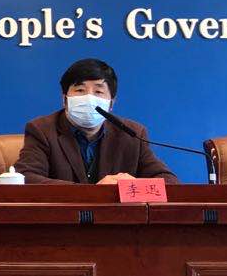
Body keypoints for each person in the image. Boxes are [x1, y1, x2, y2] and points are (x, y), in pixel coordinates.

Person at [14, 57, 178, 185]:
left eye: (98, 92)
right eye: (80, 90)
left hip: (115, 218)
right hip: (63, 218)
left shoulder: (132, 133)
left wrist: (130, 187)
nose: (89, 98)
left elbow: (168, 181)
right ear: (64, 100)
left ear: (111, 103)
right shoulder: (42, 130)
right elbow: (25, 178)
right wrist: (93, 192)